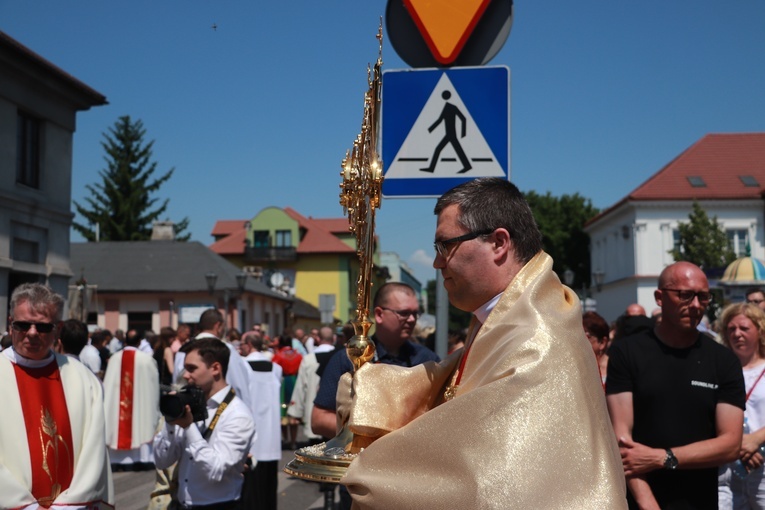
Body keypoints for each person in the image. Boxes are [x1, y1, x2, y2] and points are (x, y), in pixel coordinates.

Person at [340, 178, 625, 509]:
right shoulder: (507, 318)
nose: (437, 263)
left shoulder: (537, 340)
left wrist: (369, 470)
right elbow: (448, 384)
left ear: (499, 243)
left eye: (445, 245)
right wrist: (366, 389)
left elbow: (483, 475)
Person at [607, 261, 745, 509]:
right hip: (641, 499)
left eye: (703, 297)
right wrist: (648, 503)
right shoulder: (627, 353)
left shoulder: (723, 361)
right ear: (660, 297)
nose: (695, 305)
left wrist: (663, 457)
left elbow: (731, 444)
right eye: (685, 295)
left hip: (699, 499)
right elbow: (622, 443)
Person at [0, 283, 113, 508]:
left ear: (57, 328)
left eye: (42, 327)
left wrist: (68, 505)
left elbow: (95, 448)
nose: (32, 333)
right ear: (11, 324)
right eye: (23, 325)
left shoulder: (83, 378)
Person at [312, 282, 440, 440]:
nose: (412, 319)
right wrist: (372, 436)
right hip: (359, 460)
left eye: (415, 313)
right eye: (404, 313)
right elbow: (319, 419)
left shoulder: (427, 360)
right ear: (379, 314)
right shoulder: (349, 358)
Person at [154, 338, 255, 508]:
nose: (185, 375)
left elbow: (216, 471)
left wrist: (188, 426)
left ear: (215, 368)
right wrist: (171, 423)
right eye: (185, 368)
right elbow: (162, 461)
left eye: (192, 368)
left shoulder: (237, 415)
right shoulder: (189, 405)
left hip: (218, 505)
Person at [718, 303, 765, 509]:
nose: (737, 334)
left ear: (760, 331)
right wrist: (736, 445)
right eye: (731, 329)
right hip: (728, 467)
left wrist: (755, 440)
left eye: (744, 328)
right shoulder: (719, 370)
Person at [104, 322, 160, 470]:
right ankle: (141, 457)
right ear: (140, 341)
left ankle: (118, 459)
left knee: (118, 422)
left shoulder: (114, 359)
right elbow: (153, 388)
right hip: (139, 407)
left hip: (119, 408)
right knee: (140, 423)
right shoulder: (147, 359)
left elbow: (108, 387)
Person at [241, 331, 283, 510]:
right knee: (268, 487)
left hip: (251, 434)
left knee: (251, 490)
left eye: (242, 344)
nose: (239, 347)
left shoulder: (242, 366)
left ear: (249, 345)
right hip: (271, 434)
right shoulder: (275, 368)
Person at [288, 325, 336, 442]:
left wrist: (296, 412)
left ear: (317, 339)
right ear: (333, 339)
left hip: (313, 412)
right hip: (334, 416)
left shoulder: (309, 359)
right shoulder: (339, 357)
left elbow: (301, 386)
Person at [272, 334, 303, 449]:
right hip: (295, 381)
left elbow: (273, 368)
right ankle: (293, 441)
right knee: (293, 411)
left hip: (283, 382)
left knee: (283, 410)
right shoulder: (298, 355)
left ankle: (285, 438)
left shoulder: (279, 355)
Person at [583, 310, 610, 386]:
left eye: (587, 337)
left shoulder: (616, 369)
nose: (580, 341)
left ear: (602, 342)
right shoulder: (576, 369)